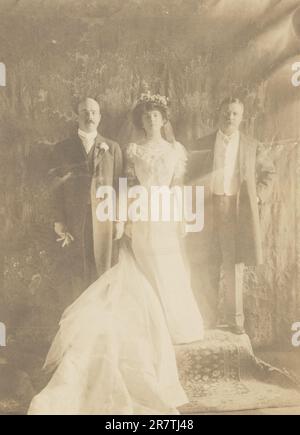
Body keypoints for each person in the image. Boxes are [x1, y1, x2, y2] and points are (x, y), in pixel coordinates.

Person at [28, 94, 204, 415]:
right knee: (140, 260)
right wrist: (126, 214)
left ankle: (174, 322)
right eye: (147, 117)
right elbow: (125, 184)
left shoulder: (161, 150)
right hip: (127, 211)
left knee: (168, 263)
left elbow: (169, 184)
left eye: (156, 117)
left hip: (162, 209)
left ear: (163, 120)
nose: (152, 121)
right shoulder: (126, 150)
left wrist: (179, 215)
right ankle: (128, 323)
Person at [190, 97, 275, 334]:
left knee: (233, 265)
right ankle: (207, 318)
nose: (230, 117)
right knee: (206, 263)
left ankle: (235, 320)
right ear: (219, 114)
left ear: (241, 117)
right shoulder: (203, 143)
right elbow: (190, 176)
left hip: (236, 211)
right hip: (207, 208)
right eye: (226, 112)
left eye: (235, 114)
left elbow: (268, 172)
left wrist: (257, 196)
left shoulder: (251, 145)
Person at [50, 97, 123, 303]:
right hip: (75, 219)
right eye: (84, 112)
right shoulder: (62, 148)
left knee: (103, 265)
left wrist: (119, 219)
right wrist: (59, 219)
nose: (89, 116)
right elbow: (56, 189)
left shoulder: (113, 147)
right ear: (77, 116)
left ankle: (103, 316)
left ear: (99, 117)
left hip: (105, 219)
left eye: (93, 112)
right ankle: (79, 319)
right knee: (78, 267)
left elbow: (119, 186)